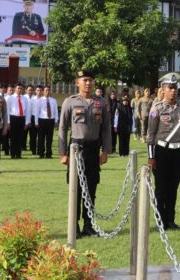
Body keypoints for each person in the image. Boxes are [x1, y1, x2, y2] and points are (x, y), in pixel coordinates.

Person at [58, 69, 111, 237]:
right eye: (84, 80)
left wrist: (106, 151)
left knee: (91, 187)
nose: (88, 83)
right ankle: (74, 226)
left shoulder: (101, 102)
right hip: (76, 148)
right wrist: (62, 153)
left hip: (93, 148)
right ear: (77, 83)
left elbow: (106, 129)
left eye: (90, 80)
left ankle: (89, 225)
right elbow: (62, 128)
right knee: (75, 188)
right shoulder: (70, 102)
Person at [147, 72, 180, 230]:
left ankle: (170, 220)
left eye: (175, 87)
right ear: (163, 89)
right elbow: (150, 134)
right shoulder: (156, 108)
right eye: (170, 87)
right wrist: (151, 157)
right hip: (161, 151)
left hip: (177, 152)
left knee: (173, 188)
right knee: (161, 189)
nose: (173, 90)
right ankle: (160, 221)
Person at [5, 83, 29, 159]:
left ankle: (18, 154)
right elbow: (7, 110)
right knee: (13, 137)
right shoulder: (10, 98)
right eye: (18, 88)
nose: (19, 90)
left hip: (22, 118)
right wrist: (8, 122)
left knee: (20, 137)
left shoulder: (25, 98)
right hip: (13, 118)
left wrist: (26, 122)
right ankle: (12, 154)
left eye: (21, 88)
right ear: (15, 89)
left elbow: (27, 111)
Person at [34, 86, 57, 159]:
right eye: (46, 90)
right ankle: (41, 153)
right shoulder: (39, 100)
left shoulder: (53, 100)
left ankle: (49, 154)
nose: (47, 92)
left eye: (49, 90)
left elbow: (55, 111)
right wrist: (36, 122)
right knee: (41, 138)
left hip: (50, 120)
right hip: (42, 120)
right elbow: (37, 112)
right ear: (43, 91)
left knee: (49, 138)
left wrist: (56, 120)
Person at [28, 86, 43, 155]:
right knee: (33, 136)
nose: (39, 92)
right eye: (38, 90)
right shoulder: (32, 99)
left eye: (40, 90)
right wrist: (29, 121)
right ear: (35, 91)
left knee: (41, 136)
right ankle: (33, 150)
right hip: (33, 118)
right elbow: (29, 111)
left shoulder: (44, 99)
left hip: (42, 118)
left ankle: (40, 150)